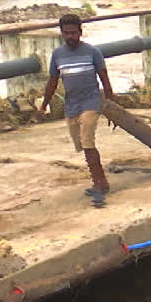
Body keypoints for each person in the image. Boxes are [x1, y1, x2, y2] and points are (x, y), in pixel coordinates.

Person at [41, 14, 114, 207]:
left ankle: (98, 185)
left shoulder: (92, 52)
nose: (70, 36)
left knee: (88, 142)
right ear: (62, 33)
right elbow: (52, 81)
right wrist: (43, 105)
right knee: (81, 144)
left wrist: (110, 105)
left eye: (74, 33)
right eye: (66, 33)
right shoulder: (58, 55)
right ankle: (102, 181)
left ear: (80, 32)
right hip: (71, 105)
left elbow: (105, 79)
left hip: (91, 102)